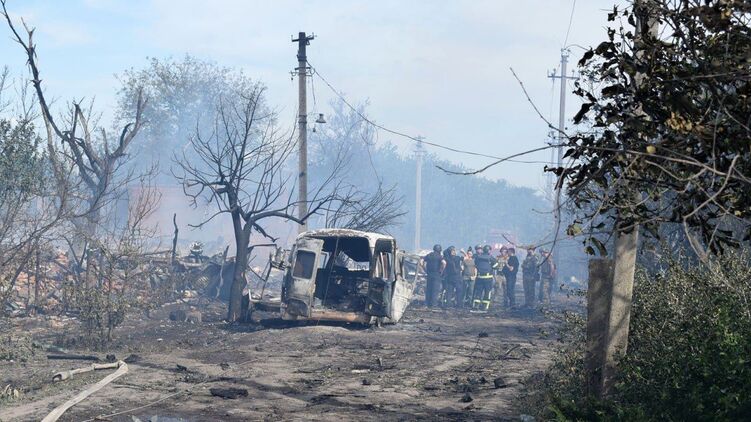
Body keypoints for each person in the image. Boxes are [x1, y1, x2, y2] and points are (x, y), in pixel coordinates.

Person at [472, 245, 497, 310]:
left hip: (479, 277)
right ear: (489, 250)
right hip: (488, 278)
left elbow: (476, 264)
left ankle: (476, 305)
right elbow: (495, 266)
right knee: (487, 292)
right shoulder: (491, 258)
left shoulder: (478, 257)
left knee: (478, 291)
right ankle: (485, 306)